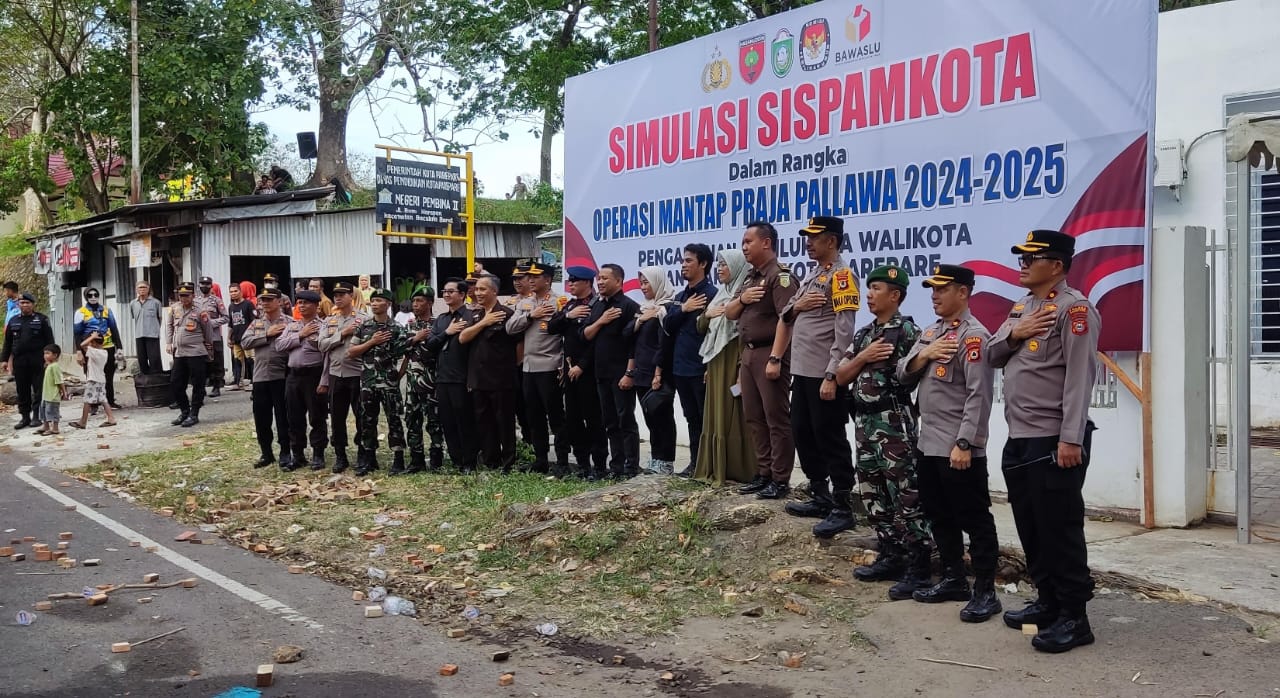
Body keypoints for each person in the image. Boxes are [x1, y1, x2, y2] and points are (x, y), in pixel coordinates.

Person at [987, 230, 1101, 653]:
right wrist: (1017, 333)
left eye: (1030, 259)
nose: (1021, 265)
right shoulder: (1023, 308)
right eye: (1020, 258)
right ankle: (1049, 601)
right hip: (1021, 437)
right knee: (1031, 526)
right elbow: (993, 354)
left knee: (1059, 528)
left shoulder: (1076, 311)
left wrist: (1070, 439)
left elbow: (1079, 378)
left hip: (1054, 440)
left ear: (1055, 266)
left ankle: (1075, 616)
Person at [898, 263, 1001, 622]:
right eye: (933, 288)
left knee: (974, 518)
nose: (935, 294)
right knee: (939, 515)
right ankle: (955, 578)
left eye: (943, 289)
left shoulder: (974, 337)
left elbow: (979, 396)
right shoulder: (932, 333)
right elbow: (902, 373)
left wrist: (965, 442)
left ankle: (986, 590)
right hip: (929, 444)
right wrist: (923, 355)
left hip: (958, 448)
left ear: (963, 292)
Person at [837, 265, 930, 601]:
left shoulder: (907, 331)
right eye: (869, 288)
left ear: (895, 295)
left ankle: (919, 562)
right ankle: (890, 554)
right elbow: (840, 376)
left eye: (877, 288)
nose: (869, 294)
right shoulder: (864, 334)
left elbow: (913, 375)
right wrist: (863, 357)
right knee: (873, 490)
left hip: (893, 421)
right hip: (864, 422)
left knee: (905, 491)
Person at [780, 217, 860, 538]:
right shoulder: (814, 274)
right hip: (802, 371)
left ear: (832, 241)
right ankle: (819, 493)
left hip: (823, 374)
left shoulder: (841, 276)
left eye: (815, 238)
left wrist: (833, 374)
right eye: (807, 238)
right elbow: (786, 312)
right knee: (802, 431)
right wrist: (798, 305)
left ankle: (842, 504)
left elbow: (844, 331)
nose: (808, 243)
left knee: (829, 436)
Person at [726, 221, 798, 499]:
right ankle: (763, 471)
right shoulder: (749, 278)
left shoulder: (780, 277)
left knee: (775, 417)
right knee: (753, 416)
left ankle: (780, 478)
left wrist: (776, 358)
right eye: (743, 242)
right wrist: (743, 299)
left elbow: (788, 320)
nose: (744, 247)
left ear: (766, 243)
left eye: (748, 241)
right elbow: (730, 312)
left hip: (771, 352)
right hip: (749, 353)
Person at [693, 250, 758, 486]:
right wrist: (707, 314)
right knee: (715, 414)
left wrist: (742, 370)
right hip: (716, 363)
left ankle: (739, 470)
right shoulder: (721, 295)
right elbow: (702, 326)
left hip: (735, 363)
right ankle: (715, 467)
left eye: (725, 264)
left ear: (738, 267)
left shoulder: (744, 295)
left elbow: (745, 333)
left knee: (734, 415)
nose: (720, 268)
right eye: (718, 264)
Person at [506, 262, 568, 474]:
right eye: (529, 277)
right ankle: (541, 459)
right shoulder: (525, 302)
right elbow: (510, 327)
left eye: (535, 276)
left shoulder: (560, 301)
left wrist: (563, 362)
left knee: (556, 416)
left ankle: (562, 461)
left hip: (550, 365)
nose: (530, 280)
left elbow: (566, 334)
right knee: (534, 416)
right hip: (528, 367)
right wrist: (531, 315)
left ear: (548, 280)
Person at [548, 267, 609, 480]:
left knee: (594, 419)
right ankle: (582, 464)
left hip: (589, 371)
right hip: (569, 370)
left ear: (586, 283)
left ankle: (600, 465)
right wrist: (567, 315)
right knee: (573, 420)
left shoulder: (597, 305)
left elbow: (596, 342)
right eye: (569, 281)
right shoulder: (571, 305)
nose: (571, 285)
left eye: (575, 281)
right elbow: (551, 327)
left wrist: (582, 365)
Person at [584, 264, 641, 479]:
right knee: (609, 421)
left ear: (618, 281)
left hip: (621, 373)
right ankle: (616, 466)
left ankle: (630, 466)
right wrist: (601, 321)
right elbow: (586, 335)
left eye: (605, 278)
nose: (600, 282)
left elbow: (633, 344)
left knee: (625, 419)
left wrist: (629, 373)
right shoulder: (598, 306)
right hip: (601, 372)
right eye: (599, 278)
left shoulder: (629, 306)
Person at [663, 244, 716, 477]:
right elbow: (667, 327)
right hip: (681, 367)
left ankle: (709, 464)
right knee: (691, 417)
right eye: (682, 261)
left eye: (688, 261)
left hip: (701, 367)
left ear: (703, 264)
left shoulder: (712, 295)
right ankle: (695, 462)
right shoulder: (681, 297)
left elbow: (716, 334)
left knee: (707, 420)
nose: (683, 265)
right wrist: (683, 309)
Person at [349, 288, 412, 475]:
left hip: (389, 384)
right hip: (368, 383)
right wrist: (371, 342)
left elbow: (407, 354)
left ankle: (398, 459)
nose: (374, 304)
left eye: (379, 300)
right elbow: (351, 352)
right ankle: (369, 459)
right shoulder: (364, 327)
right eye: (373, 300)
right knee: (367, 420)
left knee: (394, 420)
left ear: (388, 304)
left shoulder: (397, 328)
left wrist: (398, 375)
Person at [460, 275, 520, 471]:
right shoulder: (476, 315)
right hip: (478, 379)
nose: (478, 293)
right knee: (484, 422)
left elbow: (520, 345)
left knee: (504, 422)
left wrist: (510, 367)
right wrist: (484, 322)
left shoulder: (507, 313)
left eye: (482, 289)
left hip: (502, 379)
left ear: (494, 291)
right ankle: (490, 460)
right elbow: (463, 338)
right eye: (476, 289)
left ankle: (508, 462)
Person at [427, 278, 479, 472]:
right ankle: (456, 460)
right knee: (447, 421)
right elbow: (430, 345)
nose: (446, 294)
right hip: (443, 378)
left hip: (462, 378)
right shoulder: (441, 319)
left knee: (465, 421)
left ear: (462, 294)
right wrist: (447, 333)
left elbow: (476, 351)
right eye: (444, 291)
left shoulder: (471, 316)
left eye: (451, 291)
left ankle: (469, 461)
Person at [317, 281, 368, 473]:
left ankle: (363, 453)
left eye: (342, 294)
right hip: (336, 374)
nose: (337, 298)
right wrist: (343, 333)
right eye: (335, 294)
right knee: (337, 418)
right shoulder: (329, 320)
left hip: (358, 374)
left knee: (361, 416)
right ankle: (340, 455)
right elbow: (321, 345)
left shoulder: (363, 319)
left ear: (351, 296)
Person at [276, 290, 329, 470]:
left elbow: (327, 354)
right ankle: (297, 455)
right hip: (293, 376)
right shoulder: (292, 326)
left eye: (306, 303)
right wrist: (300, 334)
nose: (302, 306)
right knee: (294, 417)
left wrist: (325, 380)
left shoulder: (324, 326)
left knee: (317, 416)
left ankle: (318, 454)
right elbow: (279, 346)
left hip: (314, 375)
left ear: (316, 306)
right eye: (299, 303)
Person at [633, 266, 678, 474]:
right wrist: (641, 319)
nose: (643, 287)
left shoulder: (666, 309)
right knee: (650, 417)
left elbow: (663, 344)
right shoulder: (645, 309)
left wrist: (658, 373)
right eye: (641, 283)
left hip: (658, 373)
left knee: (663, 417)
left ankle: (666, 461)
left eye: (646, 282)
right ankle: (655, 458)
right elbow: (628, 335)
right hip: (642, 372)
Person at [241, 289, 292, 469]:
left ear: (279, 301)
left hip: (282, 375)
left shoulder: (290, 323)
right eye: (263, 300)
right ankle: (266, 453)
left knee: (283, 416)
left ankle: (286, 451)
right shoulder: (256, 324)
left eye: (270, 299)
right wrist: (267, 334)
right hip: (261, 376)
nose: (265, 303)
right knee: (261, 417)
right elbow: (245, 342)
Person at [403, 287, 444, 472]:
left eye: (420, 301)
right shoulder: (410, 325)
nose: (415, 305)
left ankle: (436, 458)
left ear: (430, 302)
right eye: (414, 301)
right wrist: (415, 338)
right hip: (413, 380)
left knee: (434, 419)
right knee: (412, 418)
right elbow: (402, 349)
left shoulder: (439, 324)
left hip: (431, 379)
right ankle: (416, 459)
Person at [166, 282, 215, 428]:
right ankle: (184, 411)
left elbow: (208, 330)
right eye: (181, 296)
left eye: (186, 295)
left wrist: (208, 347)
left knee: (198, 384)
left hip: (196, 352)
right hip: (180, 353)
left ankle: (194, 413)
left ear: (193, 295)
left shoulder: (201, 311)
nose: (183, 298)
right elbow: (169, 326)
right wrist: (169, 342)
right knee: (175, 382)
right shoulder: (174, 309)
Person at [2, 294, 53, 429]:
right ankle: (25, 417)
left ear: (33, 304)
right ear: (18, 304)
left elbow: (50, 341)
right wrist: (4, 360)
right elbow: (7, 343)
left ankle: (36, 416)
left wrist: (51, 359)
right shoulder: (13, 321)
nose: (24, 305)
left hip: (37, 360)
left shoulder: (42, 319)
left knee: (38, 389)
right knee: (22, 390)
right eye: (22, 303)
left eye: (27, 303)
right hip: (20, 361)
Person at [73, 287, 123, 409]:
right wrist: (79, 351)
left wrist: (119, 347)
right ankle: (93, 404)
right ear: (86, 297)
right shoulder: (81, 312)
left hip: (107, 346)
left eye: (96, 295)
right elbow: (77, 333)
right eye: (90, 295)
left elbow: (114, 328)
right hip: (90, 348)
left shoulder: (106, 310)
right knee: (92, 376)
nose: (93, 297)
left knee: (109, 375)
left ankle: (110, 401)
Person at [70, 333, 116, 429]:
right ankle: (111, 418)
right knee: (103, 399)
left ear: (94, 343)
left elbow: (82, 345)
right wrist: (93, 338)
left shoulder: (94, 352)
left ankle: (83, 422)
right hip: (101, 379)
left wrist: (92, 337)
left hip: (93, 380)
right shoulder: (104, 352)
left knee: (87, 400)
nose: (89, 344)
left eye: (91, 342)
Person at [195, 276, 228, 397]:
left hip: (214, 336)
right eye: (202, 284)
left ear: (211, 285)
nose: (205, 286)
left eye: (207, 284)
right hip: (199, 337)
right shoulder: (195, 301)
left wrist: (211, 323)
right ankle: (201, 387)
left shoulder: (216, 301)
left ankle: (216, 386)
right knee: (202, 363)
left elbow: (226, 317)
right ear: (199, 285)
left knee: (216, 362)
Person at [226, 283, 257, 390]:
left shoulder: (248, 304)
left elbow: (254, 321)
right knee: (237, 360)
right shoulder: (231, 306)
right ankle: (237, 382)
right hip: (236, 339)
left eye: (235, 291)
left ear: (240, 291)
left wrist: (253, 335)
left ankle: (254, 382)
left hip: (248, 339)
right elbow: (230, 323)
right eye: (231, 291)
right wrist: (228, 337)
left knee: (251, 360)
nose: (233, 293)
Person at [129, 281, 164, 375]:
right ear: (136, 289)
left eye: (144, 287)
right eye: (140, 287)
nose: (142, 289)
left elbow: (159, 318)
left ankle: (157, 381)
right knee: (142, 360)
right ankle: (146, 382)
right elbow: (134, 317)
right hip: (139, 335)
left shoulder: (156, 302)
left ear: (148, 289)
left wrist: (154, 329)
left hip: (152, 335)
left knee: (155, 360)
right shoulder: (133, 303)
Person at [36, 344, 67, 435]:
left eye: (48, 353)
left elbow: (59, 381)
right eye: (44, 353)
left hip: (53, 395)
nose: (45, 355)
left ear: (55, 355)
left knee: (52, 412)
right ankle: (46, 426)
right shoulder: (49, 366)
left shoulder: (55, 367)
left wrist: (64, 392)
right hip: (46, 394)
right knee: (44, 411)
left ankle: (55, 428)